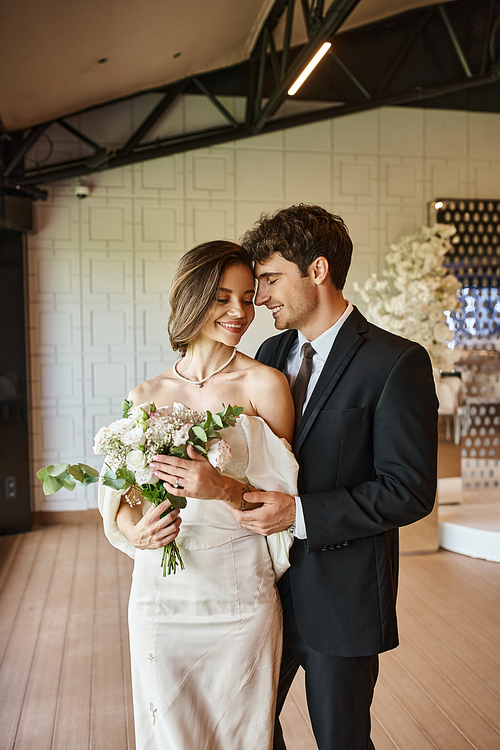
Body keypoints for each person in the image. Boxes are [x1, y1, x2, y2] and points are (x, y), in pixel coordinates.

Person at [225, 204, 437, 750]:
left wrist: (298, 515)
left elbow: (408, 490)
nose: (261, 298)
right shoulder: (270, 353)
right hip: (263, 586)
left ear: (317, 271)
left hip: (343, 596)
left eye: (270, 280)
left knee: (340, 740)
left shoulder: (396, 362)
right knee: (246, 728)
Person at [98, 240, 299, 750]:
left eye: (249, 298)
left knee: (240, 731)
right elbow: (122, 495)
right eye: (223, 297)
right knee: (168, 732)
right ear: (193, 296)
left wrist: (223, 489)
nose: (240, 312)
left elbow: (284, 501)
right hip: (160, 599)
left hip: (236, 591)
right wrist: (135, 531)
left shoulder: (265, 385)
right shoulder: (144, 396)